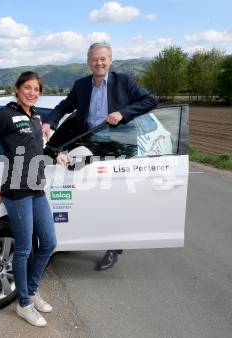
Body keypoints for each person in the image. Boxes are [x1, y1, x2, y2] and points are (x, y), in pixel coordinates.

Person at [42, 42, 158, 271]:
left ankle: (114, 246)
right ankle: (79, 235)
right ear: (88, 62)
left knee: (116, 197)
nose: (99, 63)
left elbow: (150, 100)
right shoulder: (81, 85)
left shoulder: (124, 81)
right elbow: (65, 106)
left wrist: (123, 113)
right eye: (95, 59)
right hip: (89, 144)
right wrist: (49, 122)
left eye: (103, 58)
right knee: (83, 191)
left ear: (110, 60)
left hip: (118, 145)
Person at [0, 72, 67, 327]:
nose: (32, 92)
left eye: (36, 89)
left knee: (48, 243)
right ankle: (24, 304)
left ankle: (31, 290)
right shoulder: (5, 115)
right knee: (22, 250)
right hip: (16, 191)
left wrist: (56, 154)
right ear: (17, 88)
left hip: (36, 189)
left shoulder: (35, 116)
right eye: (27, 87)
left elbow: (38, 148)